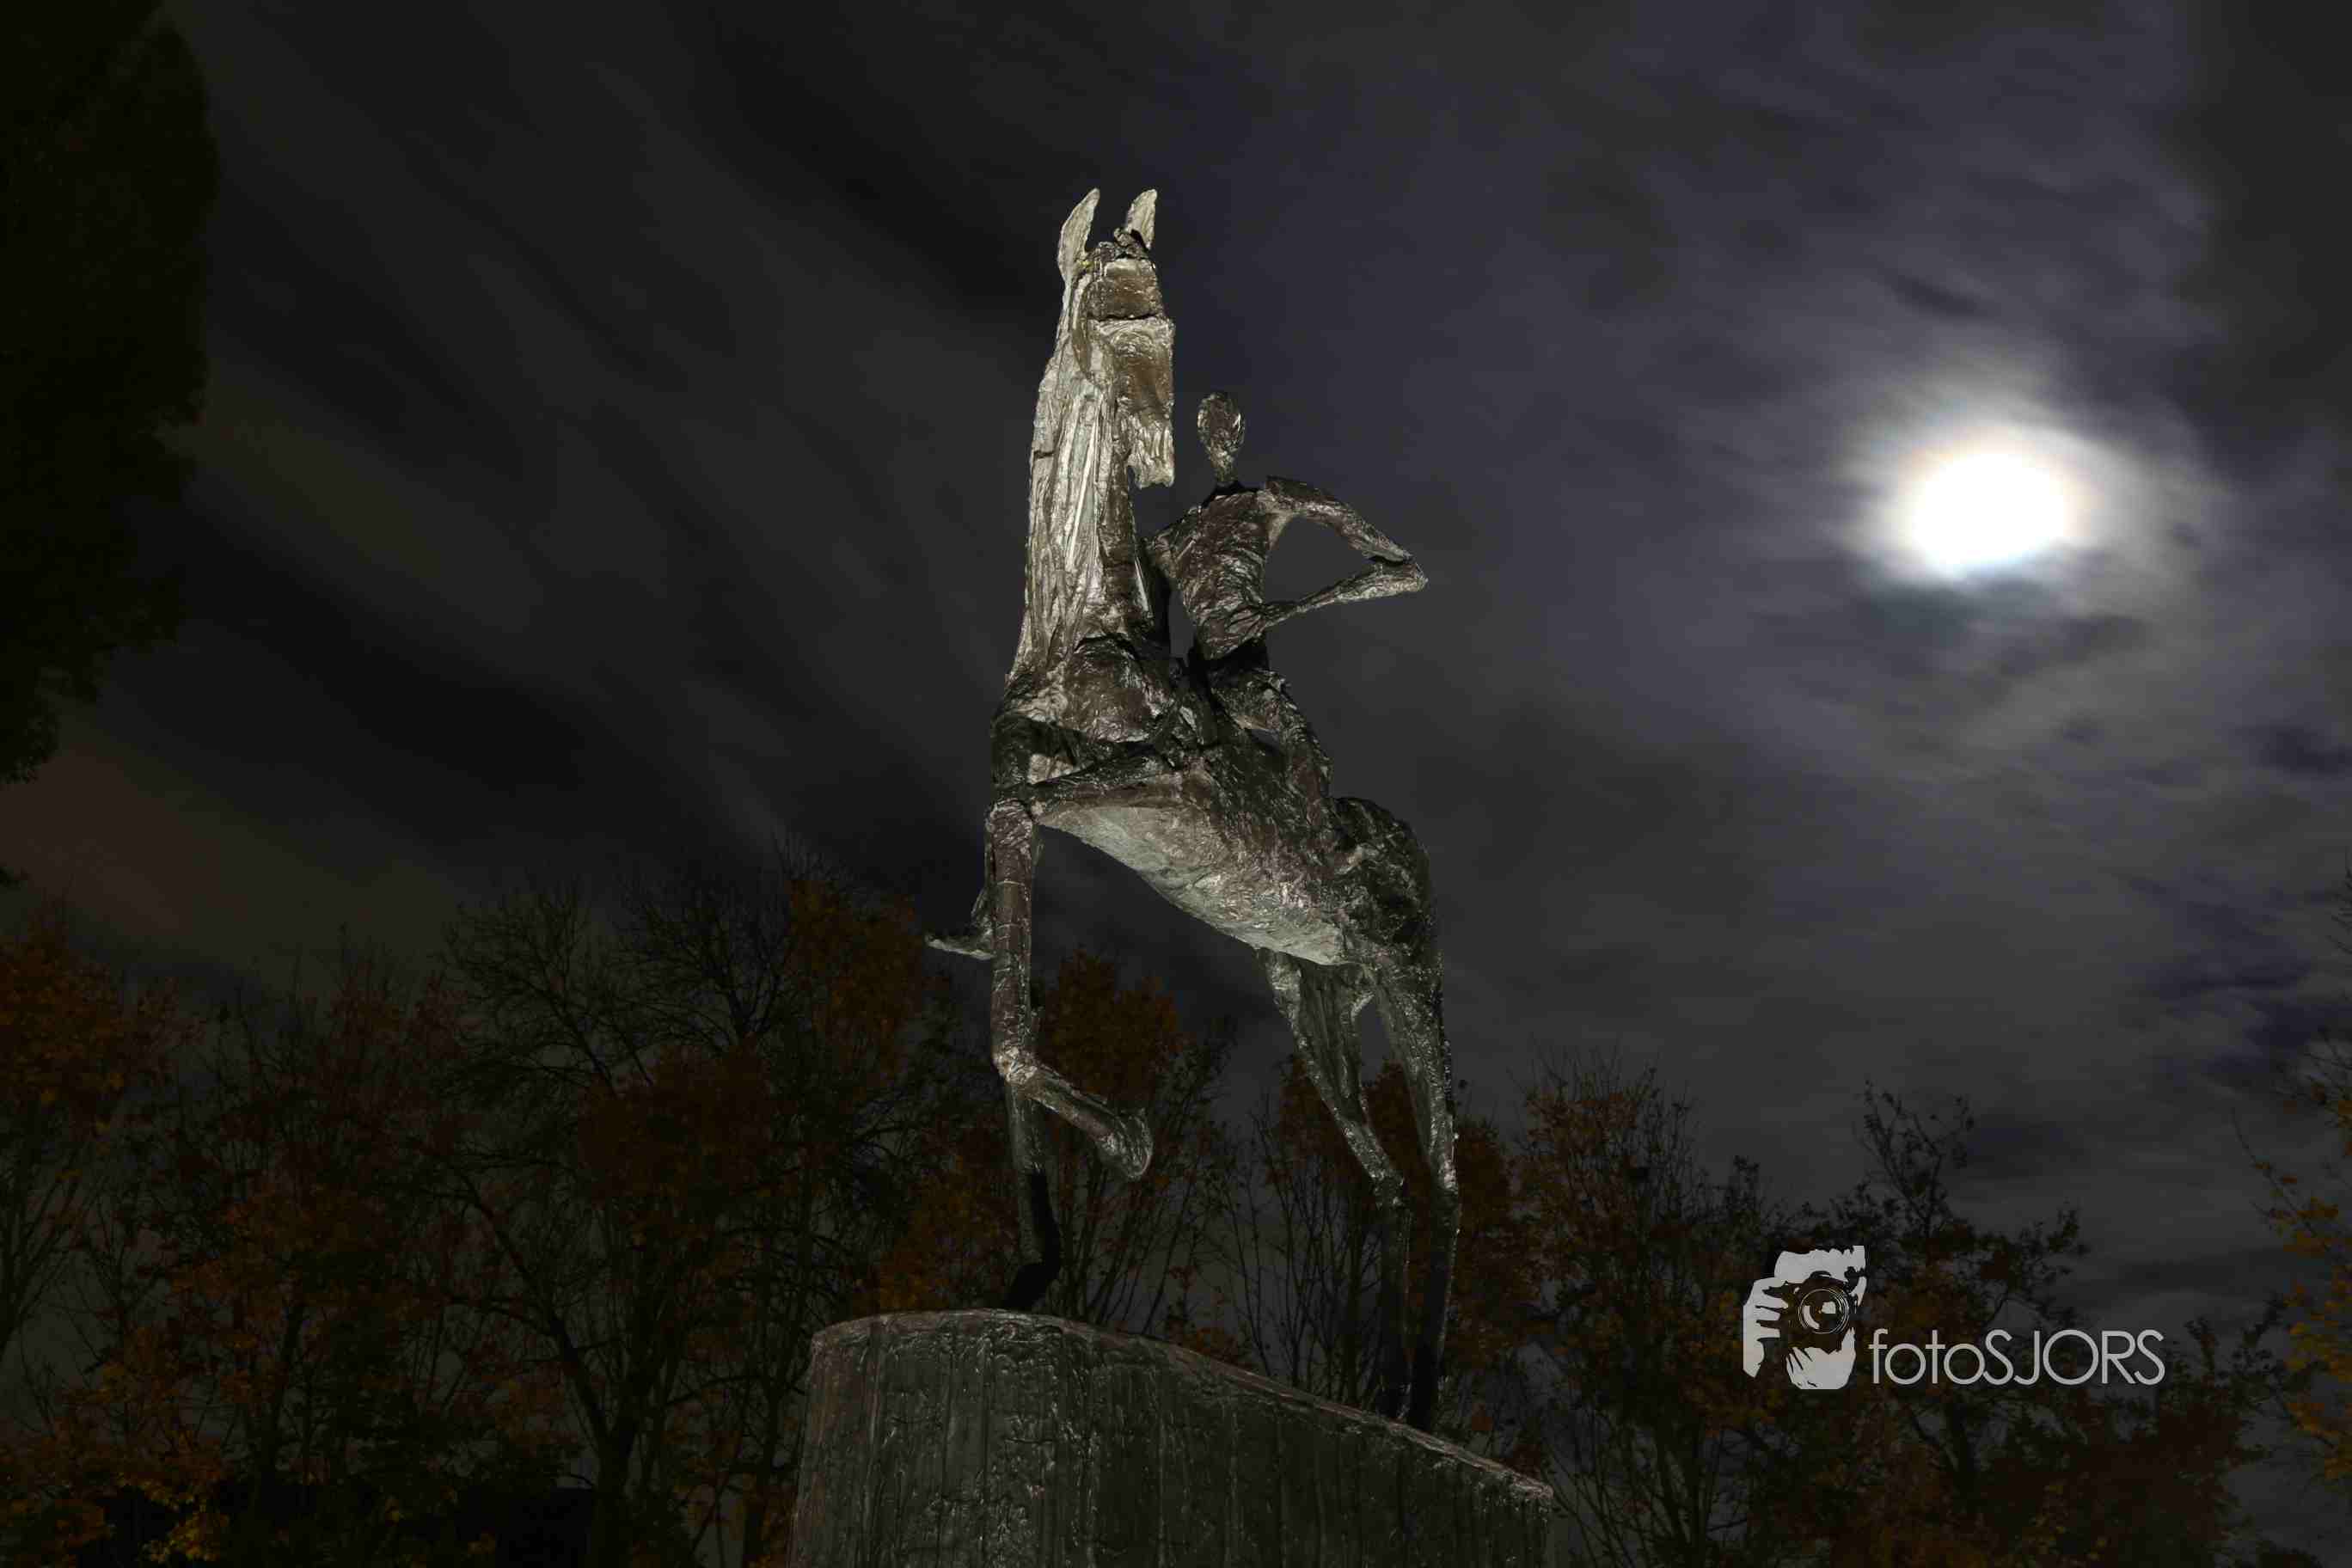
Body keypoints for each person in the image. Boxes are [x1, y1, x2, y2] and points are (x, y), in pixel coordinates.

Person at [1143, 389, 1427, 806]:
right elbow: (1152, 620)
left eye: (1229, 426)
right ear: (1201, 435)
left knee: (1296, 734)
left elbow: (1384, 553)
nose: (1221, 437)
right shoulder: (1173, 540)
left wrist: (1309, 600)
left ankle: (1321, 827)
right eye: (1211, 427)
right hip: (1194, 677)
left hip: (1239, 672)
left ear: (1240, 434)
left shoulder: (1267, 502)